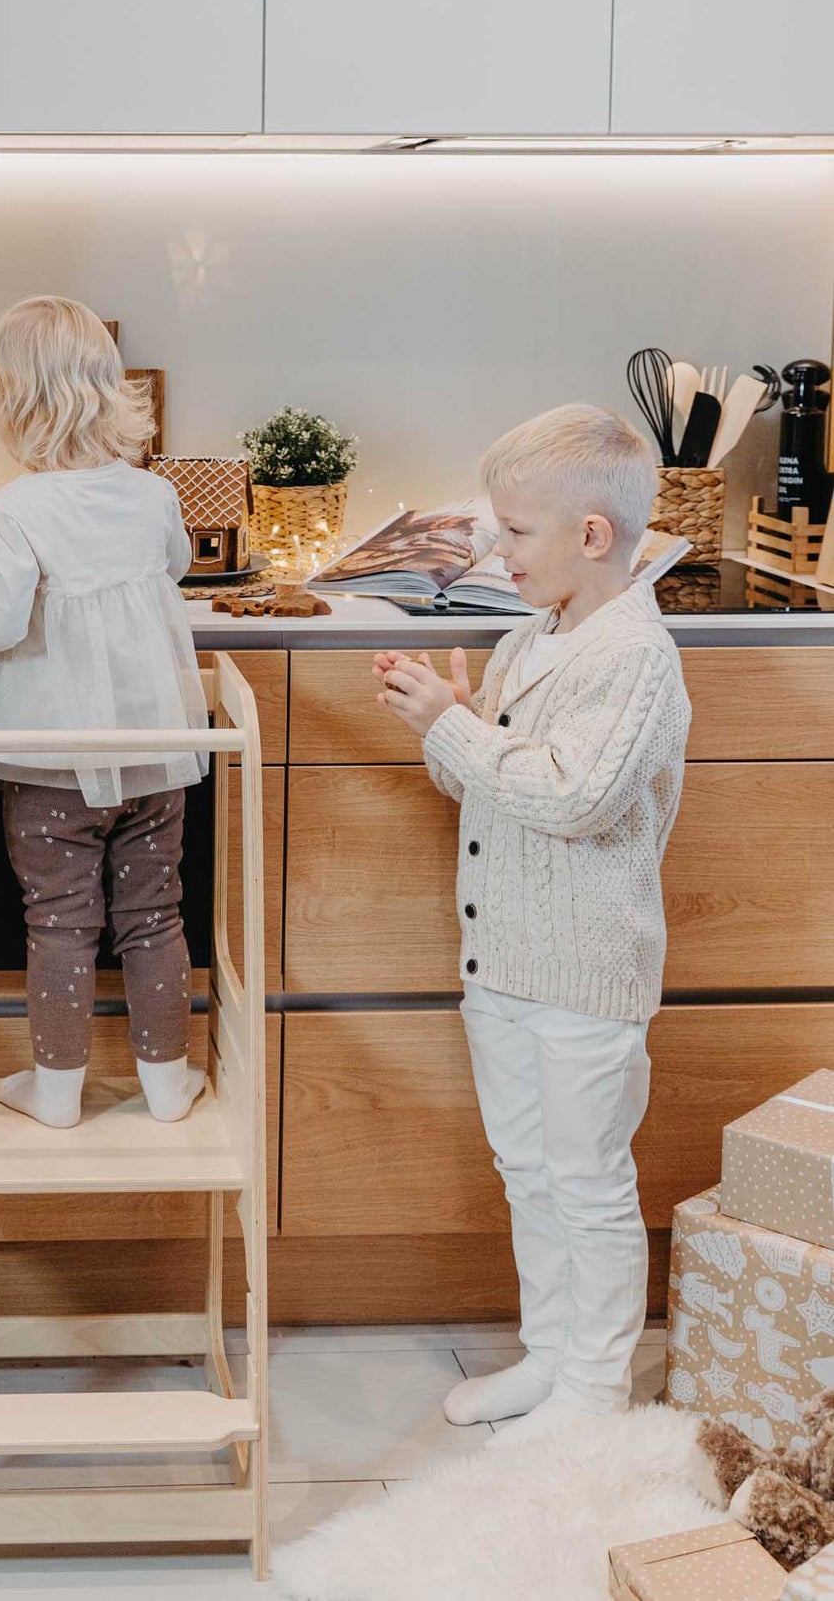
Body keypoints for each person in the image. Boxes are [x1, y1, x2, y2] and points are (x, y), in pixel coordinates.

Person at [373, 404, 690, 1436]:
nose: (491, 550)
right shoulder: (526, 636)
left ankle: (594, 1389)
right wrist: (447, 723)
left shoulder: (633, 657)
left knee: (587, 1178)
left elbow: (569, 799)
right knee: (526, 1168)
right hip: (502, 963)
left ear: (588, 536)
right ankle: (549, 1355)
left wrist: (453, 725)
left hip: (584, 976)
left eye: (511, 531)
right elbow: (485, 785)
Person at [0, 296, 209, 1130]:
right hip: (155, 751)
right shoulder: (152, 495)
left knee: (60, 920)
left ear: (13, 405)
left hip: (51, 764)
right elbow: (176, 566)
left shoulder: (14, 510)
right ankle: (165, 1086)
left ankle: (55, 1093)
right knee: (155, 914)